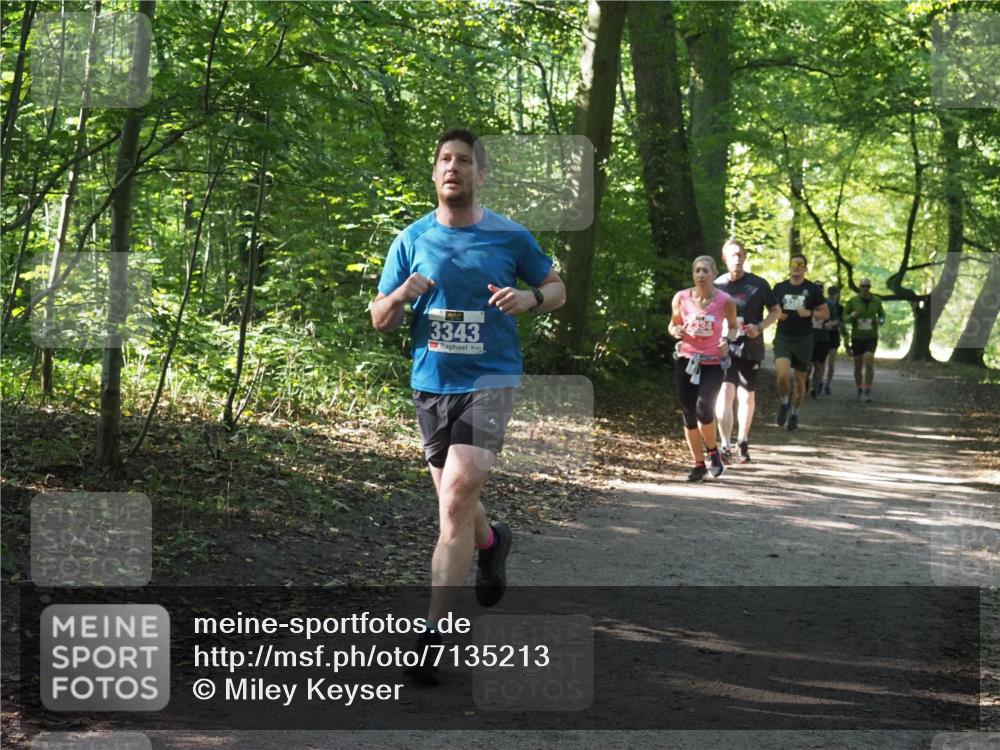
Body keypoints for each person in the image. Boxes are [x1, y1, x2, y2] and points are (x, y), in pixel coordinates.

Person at [371, 127, 566, 683]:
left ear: (480, 174)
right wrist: (401, 294)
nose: (452, 168)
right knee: (458, 504)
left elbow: (557, 288)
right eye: (444, 160)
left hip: (492, 382)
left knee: (453, 501)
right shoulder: (411, 239)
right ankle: (492, 541)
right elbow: (379, 317)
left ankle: (431, 639)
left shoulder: (509, 237)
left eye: (463, 161)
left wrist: (529, 298)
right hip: (431, 385)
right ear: (434, 174)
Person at [670, 255, 739, 482]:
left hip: (713, 362)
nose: (700, 275)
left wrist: (726, 341)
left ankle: (713, 452)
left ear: (713, 274)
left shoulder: (724, 300)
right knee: (688, 413)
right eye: (697, 271)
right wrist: (676, 331)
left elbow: (732, 328)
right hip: (687, 360)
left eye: (705, 271)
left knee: (703, 409)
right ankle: (698, 464)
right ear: (693, 274)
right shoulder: (681, 298)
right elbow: (673, 324)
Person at [713, 240, 781, 464]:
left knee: (746, 397)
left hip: (750, 347)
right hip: (724, 347)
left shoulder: (759, 284)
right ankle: (724, 444)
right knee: (724, 393)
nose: (737, 258)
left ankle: (742, 440)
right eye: (732, 255)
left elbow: (776, 310)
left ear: (745, 257)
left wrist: (759, 327)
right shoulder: (717, 285)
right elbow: (706, 314)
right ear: (724, 258)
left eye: (741, 254)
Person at [772, 253, 829, 431]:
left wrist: (811, 313)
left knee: (800, 380)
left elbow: (826, 314)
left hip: (804, 339)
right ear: (789, 267)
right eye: (793, 263)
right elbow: (770, 308)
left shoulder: (812, 290)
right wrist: (777, 314)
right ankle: (784, 404)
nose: (796, 267)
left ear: (805, 268)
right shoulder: (779, 288)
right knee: (782, 374)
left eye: (800, 264)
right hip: (783, 337)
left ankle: (795, 413)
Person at [844, 277, 885, 402]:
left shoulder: (876, 301)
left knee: (869, 360)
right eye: (863, 286)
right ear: (859, 287)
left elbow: (882, 315)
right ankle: (859, 389)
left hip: (871, 336)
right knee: (858, 365)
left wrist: (880, 321)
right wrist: (851, 316)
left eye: (867, 286)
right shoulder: (853, 301)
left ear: (870, 288)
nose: (865, 289)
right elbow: (844, 317)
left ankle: (868, 389)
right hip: (857, 336)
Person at [820, 285, 843, 396]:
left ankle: (828, 384)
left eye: (834, 294)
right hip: (823, 335)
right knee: (822, 362)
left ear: (838, 295)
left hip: (834, 336)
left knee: (831, 363)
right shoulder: (824, 304)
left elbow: (841, 322)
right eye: (831, 294)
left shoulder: (840, 307)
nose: (833, 296)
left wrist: (835, 324)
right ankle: (820, 382)